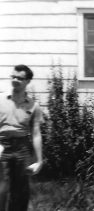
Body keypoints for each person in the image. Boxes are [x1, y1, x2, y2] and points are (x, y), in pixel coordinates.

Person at [0, 64, 43, 211]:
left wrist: (39, 160)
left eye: (19, 78)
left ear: (27, 81)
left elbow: (36, 133)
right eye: (13, 76)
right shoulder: (0, 99)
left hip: (22, 148)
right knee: (2, 189)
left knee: (21, 191)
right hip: (2, 146)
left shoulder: (33, 105)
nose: (15, 80)